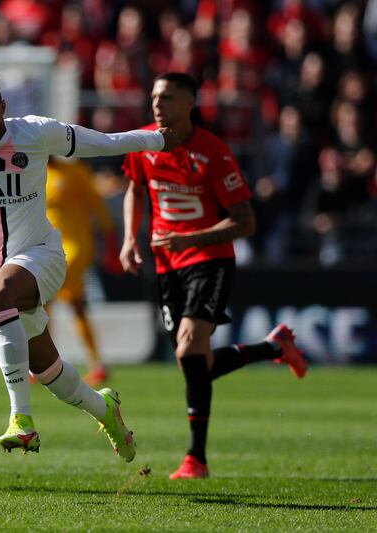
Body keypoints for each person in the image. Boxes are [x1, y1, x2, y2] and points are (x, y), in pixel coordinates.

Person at [0, 74, 178, 461]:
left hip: (41, 254)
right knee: (48, 370)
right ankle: (104, 409)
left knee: (0, 295)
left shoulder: (35, 133)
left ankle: (20, 420)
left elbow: (104, 143)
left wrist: (157, 139)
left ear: (4, 109)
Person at [119, 72, 307, 479]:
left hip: (209, 260)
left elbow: (246, 222)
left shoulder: (213, 152)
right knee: (194, 363)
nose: (157, 104)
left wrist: (191, 238)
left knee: (189, 352)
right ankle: (273, 347)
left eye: (167, 97)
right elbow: (135, 187)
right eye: (154, 96)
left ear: (190, 103)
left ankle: (196, 460)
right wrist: (129, 240)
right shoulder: (144, 143)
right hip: (167, 264)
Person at [44, 156, 114, 386]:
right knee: (76, 306)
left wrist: (111, 241)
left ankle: (42, 365)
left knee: (41, 302)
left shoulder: (75, 172)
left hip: (74, 248)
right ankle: (97, 365)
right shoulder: (32, 173)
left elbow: (97, 204)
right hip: (52, 251)